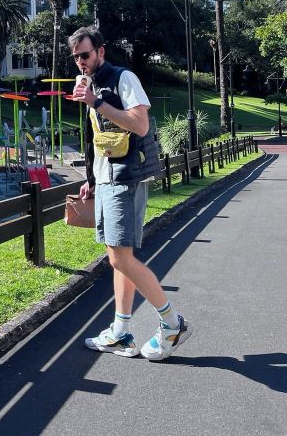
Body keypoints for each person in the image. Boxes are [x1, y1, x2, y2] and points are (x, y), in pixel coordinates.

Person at [69, 25, 193, 361]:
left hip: (127, 177)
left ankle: (172, 323)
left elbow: (139, 125)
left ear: (100, 52)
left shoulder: (123, 79)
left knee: (119, 257)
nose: (80, 61)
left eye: (85, 54)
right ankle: (121, 333)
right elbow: (97, 134)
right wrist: (91, 179)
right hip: (107, 179)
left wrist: (97, 101)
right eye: (76, 57)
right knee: (118, 259)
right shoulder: (87, 85)